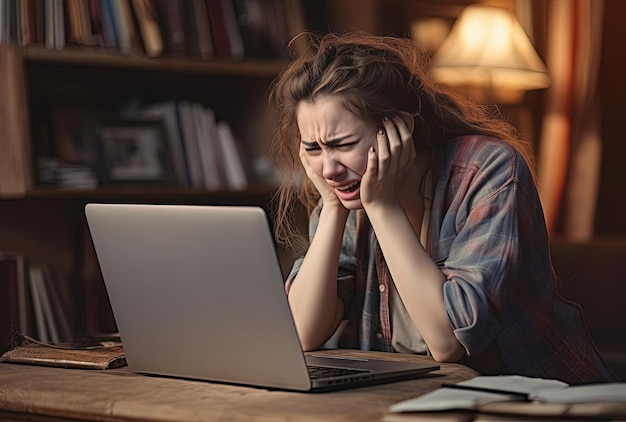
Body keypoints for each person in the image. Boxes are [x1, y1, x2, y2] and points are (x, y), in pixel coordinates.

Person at [268, 31, 616, 385]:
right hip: (419, 399)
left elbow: (448, 341)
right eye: (313, 149)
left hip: (543, 401)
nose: (328, 169)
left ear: (398, 128)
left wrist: (383, 207)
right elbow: (301, 332)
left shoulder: (488, 171)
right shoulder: (345, 196)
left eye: (343, 144)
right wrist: (330, 207)